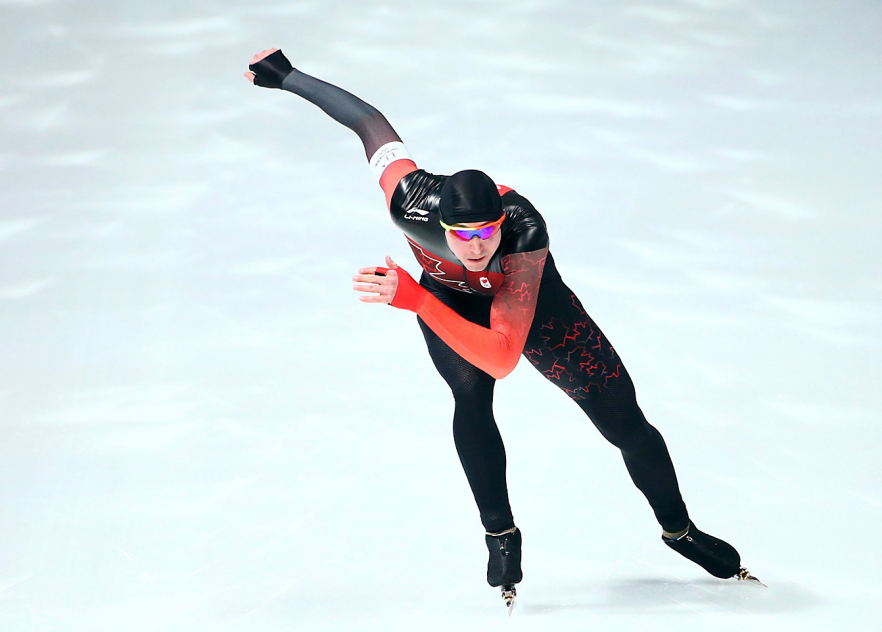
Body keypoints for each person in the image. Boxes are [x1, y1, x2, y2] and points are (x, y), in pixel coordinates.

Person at [245, 48, 757, 605]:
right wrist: (289, 77)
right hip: (451, 302)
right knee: (470, 401)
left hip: (536, 312)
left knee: (626, 423)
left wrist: (415, 299)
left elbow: (503, 358)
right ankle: (500, 533)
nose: (478, 246)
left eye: (488, 231)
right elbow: (367, 122)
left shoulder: (524, 233)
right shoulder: (408, 199)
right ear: (439, 222)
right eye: (463, 236)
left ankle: (680, 530)